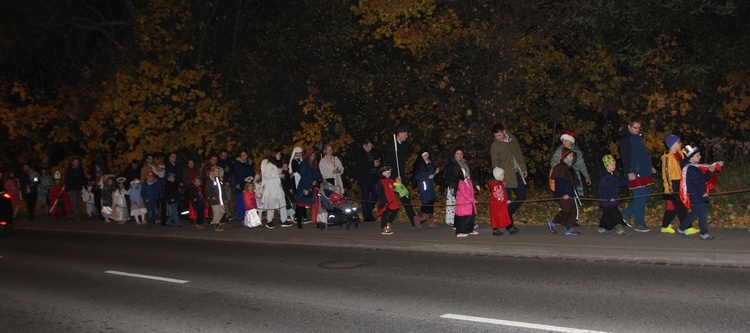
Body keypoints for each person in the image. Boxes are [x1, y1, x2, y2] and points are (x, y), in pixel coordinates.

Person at [618, 115, 656, 232]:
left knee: (646, 196)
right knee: (640, 196)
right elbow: (625, 157)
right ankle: (639, 222)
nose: (637, 130)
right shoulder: (626, 139)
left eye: (639, 128)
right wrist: (629, 171)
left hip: (645, 171)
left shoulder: (638, 138)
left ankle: (624, 214)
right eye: (635, 128)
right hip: (635, 173)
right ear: (629, 126)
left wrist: (650, 167)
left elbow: (642, 155)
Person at [678, 145, 720, 240]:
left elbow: (703, 179)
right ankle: (704, 234)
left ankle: (681, 228)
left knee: (695, 213)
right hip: (696, 195)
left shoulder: (695, 168)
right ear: (691, 157)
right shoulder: (690, 169)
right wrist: (703, 193)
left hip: (696, 194)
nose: (700, 157)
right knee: (703, 213)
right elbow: (697, 183)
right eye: (697, 155)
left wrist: (709, 171)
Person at [490, 124, 526, 234]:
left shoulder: (512, 139)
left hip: (516, 173)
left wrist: (523, 168)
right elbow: (495, 164)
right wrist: (499, 179)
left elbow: (518, 153)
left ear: (504, 131)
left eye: (499, 135)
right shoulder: (495, 146)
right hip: (504, 176)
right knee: (507, 200)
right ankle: (509, 226)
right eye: (496, 136)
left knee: (522, 195)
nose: (498, 138)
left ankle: (506, 215)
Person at [385, 126, 420, 227]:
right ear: (399, 134)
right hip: (394, 178)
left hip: (401, 177)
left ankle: (413, 219)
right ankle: (387, 219)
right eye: (405, 134)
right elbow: (390, 163)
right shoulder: (392, 146)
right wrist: (395, 176)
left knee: (405, 196)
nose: (406, 136)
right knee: (391, 198)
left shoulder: (402, 146)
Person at [444, 148, 481, 237]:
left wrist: (476, 184)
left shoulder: (465, 163)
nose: (460, 155)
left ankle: (467, 227)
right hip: (456, 187)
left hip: (467, 185)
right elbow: (448, 176)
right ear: (454, 154)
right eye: (458, 153)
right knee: (459, 209)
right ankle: (459, 227)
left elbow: (471, 174)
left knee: (467, 209)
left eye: (461, 153)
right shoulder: (451, 164)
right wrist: (456, 183)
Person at [547, 148, 581, 235]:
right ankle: (554, 222)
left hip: (571, 193)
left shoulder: (570, 168)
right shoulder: (560, 168)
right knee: (566, 210)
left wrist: (575, 193)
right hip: (563, 194)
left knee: (573, 210)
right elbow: (560, 183)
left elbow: (572, 183)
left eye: (572, 156)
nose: (571, 158)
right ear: (565, 157)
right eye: (570, 156)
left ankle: (569, 229)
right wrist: (563, 194)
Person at [660, 135, 688, 234]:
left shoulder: (680, 154)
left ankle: (665, 226)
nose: (680, 143)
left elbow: (690, 154)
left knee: (672, 207)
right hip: (673, 183)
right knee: (680, 205)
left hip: (680, 181)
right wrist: (667, 187)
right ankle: (687, 226)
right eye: (678, 142)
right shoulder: (668, 158)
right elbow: (666, 173)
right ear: (672, 144)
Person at [550, 131, 591, 196]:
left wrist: (587, 177)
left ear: (571, 141)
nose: (564, 143)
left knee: (574, 195)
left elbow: (582, 165)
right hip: (563, 176)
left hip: (574, 176)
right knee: (565, 195)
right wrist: (560, 168)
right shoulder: (559, 150)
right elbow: (553, 161)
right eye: (563, 141)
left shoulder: (576, 151)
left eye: (566, 141)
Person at [597, 155, 628, 236]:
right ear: (606, 165)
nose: (614, 166)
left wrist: (627, 180)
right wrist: (609, 197)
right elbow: (602, 189)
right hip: (608, 201)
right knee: (616, 215)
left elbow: (618, 183)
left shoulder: (612, 175)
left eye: (614, 164)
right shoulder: (604, 177)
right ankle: (619, 229)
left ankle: (601, 228)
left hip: (612, 201)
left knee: (606, 216)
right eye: (612, 165)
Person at [294, 148, 323, 229]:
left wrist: (319, 180)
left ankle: (315, 220)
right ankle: (299, 222)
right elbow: (303, 175)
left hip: (313, 187)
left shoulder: (315, 164)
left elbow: (318, 173)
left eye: (314, 155)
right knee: (300, 205)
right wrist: (311, 182)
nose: (313, 157)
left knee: (315, 205)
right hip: (305, 186)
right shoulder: (303, 164)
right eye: (312, 155)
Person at [412, 148, 439, 229]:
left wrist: (435, 172)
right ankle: (418, 217)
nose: (426, 156)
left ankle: (430, 221)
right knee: (427, 202)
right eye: (424, 155)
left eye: (427, 154)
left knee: (431, 202)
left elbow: (432, 174)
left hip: (430, 185)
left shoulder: (430, 163)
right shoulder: (419, 164)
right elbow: (416, 176)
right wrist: (427, 176)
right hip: (424, 185)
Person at [355, 139, 380, 222]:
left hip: (372, 177)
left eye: (371, 147)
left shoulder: (372, 153)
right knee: (365, 196)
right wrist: (373, 164)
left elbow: (373, 162)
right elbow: (362, 164)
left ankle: (369, 211)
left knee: (375, 194)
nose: (370, 148)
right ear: (364, 146)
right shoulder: (360, 153)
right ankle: (366, 215)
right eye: (368, 147)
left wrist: (376, 164)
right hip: (364, 178)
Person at [261, 149, 287, 227]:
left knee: (283, 203)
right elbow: (266, 175)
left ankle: (284, 220)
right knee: (271, 205)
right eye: (279, 154)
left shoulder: (277, 165)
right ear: (274, 155)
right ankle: (269, 221)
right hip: (272, 189)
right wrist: (278, 176)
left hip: (278, 187)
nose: (280, 156)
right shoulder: (269, 165)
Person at [487, 167, 511, 236]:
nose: (503, 176)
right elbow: (499, 195)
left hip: (497, 204)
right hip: (497, 204)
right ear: (497, 176)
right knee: (497, 216)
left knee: (496, 216)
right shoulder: (497, 185)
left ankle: (496, 229)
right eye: (502, 175)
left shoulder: (498, 183)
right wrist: (505, 201)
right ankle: (495, 230)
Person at [233, 150, 256, 220]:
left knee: (249, 200)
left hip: (249, 183)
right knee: (240, 199)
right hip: (240, 183)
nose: (243, 156)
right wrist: (237, 183)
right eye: (242, 155)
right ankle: (241, 216)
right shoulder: (237, 163)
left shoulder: (250, 163)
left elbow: (252, 172)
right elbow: (235, 174)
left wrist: (252, 178)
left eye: (245, 155)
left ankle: (250, 216)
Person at [375, 166, 398, 235]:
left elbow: (396, 186)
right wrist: (384, 201)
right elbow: (380, 192)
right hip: (385, 201)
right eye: (388, 173)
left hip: (392, 200)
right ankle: (384, 228)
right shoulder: (380, 182)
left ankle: (388, 224)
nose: (389, 174)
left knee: (394, 212)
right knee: (386, 214)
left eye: (390, 173)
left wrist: (398, 181)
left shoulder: (391, 180)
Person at [206, 166, 226, 231]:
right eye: (216, 171)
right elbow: (207, 190)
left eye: (218, 171)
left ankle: (216, 221)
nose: (217, 172)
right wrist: (211, 196)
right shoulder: (210, 180)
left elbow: (223, 190)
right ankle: (216, 224)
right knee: (217, 212)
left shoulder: (220, 180)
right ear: (212, 172)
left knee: (222, 211)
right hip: (214, 200)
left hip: (220, 200)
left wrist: (225, 197)